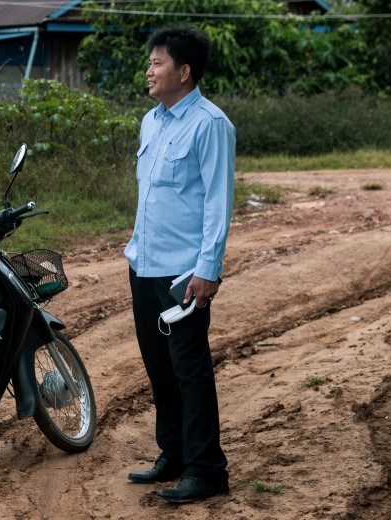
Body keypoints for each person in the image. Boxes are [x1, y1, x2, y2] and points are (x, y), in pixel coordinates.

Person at [124, 26, 235, 503]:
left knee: (190, 371)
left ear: (184, 72)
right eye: (149, 62)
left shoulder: (211, 124)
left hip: (183, 276)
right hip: (144, 267)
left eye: (158, 63)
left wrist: (207, 269)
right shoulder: (152, 121)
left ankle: (208, 469)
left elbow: (218, 202)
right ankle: (174, 452)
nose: (149, 70)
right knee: (159, 368)